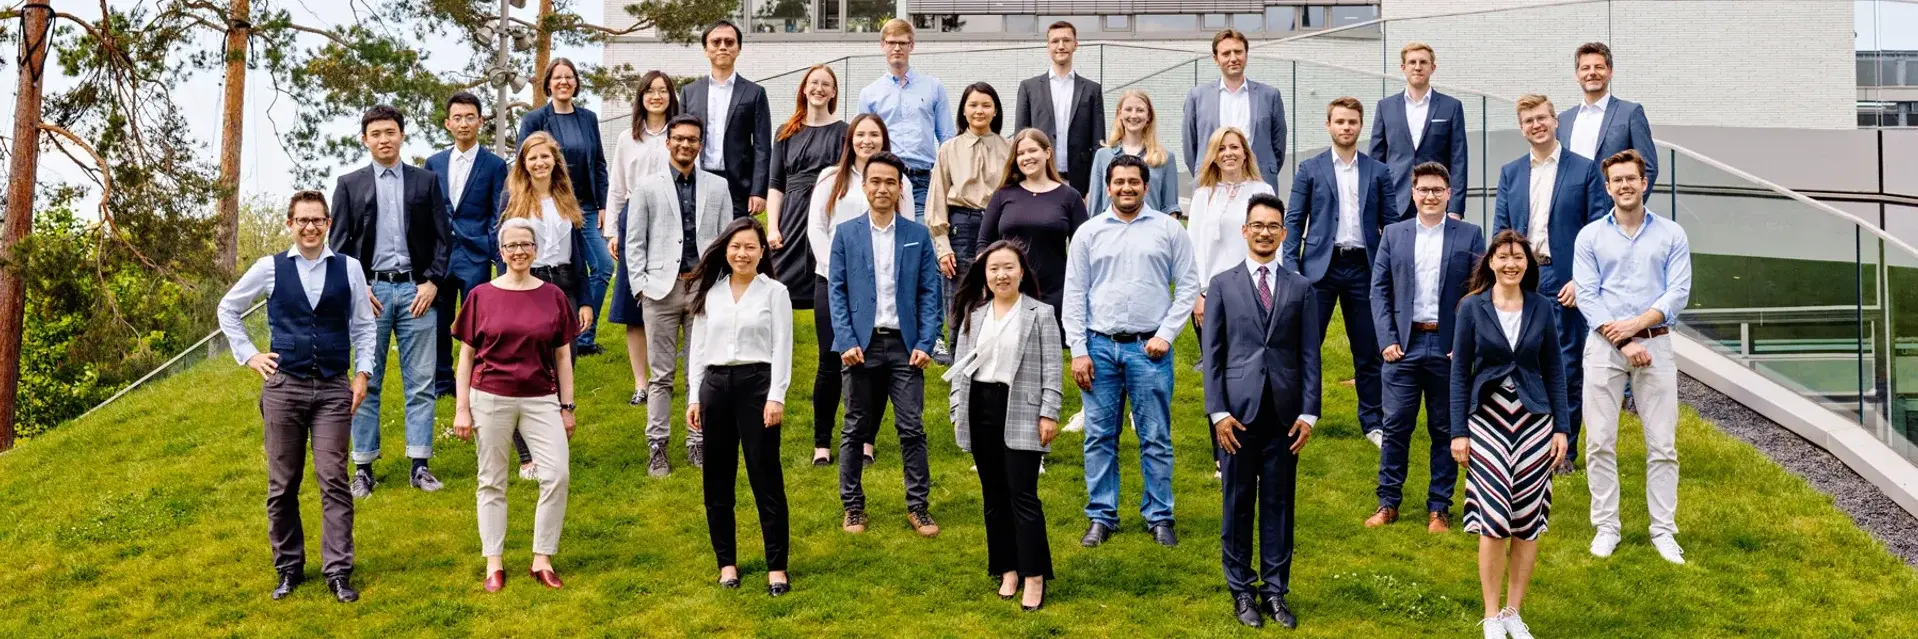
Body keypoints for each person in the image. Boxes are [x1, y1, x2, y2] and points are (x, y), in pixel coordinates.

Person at [217, 190, 372, 604]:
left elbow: (363, 325)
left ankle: (338, 571)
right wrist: (250, 356)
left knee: (334, 481)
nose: (309, 227)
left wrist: (363, 372)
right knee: (282, 484)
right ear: (290, 224)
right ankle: (288, 568)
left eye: (317, 220)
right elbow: (227, 308)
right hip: (284, 387)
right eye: (302, 220)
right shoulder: (269, 268)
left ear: (327, 224)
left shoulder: (349, 267)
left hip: (334, 388)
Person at [1064, 154, 1200, 549]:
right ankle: (1101, 515)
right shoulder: (1089, 233)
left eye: (1134, 182)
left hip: (1149, 349)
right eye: (1119, 181)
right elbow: (1074, 294)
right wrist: (1078, 350)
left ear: (1146, 185)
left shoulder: (1168, 230)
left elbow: (1188, 286)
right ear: (1108, 187)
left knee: (1155, 436)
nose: (1127, 188)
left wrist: (1167, 335)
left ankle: (1159, 516)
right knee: (1099, 436)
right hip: (1099, 347)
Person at [1201, 193, 1319, 630]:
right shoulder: (1223, 284)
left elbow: (1310, 355)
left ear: (1284, 233)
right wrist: (1217, 414)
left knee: (1279, 504)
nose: (1265, 232)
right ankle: (1241, 591)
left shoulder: (1301, 288)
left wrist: (1309, 414)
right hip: (1236, 415)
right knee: (1237, 503)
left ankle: (1275, 591)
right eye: (1258, 225)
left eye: (1273, 225)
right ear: (1244, 231)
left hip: (1285, 417)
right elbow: (1211, 356)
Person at [1449, 230, 1571, 639]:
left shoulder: (1540, 307)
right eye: (1503, 257)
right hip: (1487, 420)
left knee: (1526, 520)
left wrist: (1562, 428)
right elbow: (1459, 372)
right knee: (1493, 518)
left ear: (1528, 264)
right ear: (1491, 263)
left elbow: (1555, 369)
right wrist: (1458, 431)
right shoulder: (1471, 308)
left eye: (1518, 257)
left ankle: (1513, 613)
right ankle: (1490, 616)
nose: (1511, 264)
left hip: (1535, 423)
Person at [1574, 149, 1692, 565]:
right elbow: (1587, 296)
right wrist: (1623, 339)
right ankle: (1607, 527)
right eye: (1617, 180)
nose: (1624, 185)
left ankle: (1663, 531)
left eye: (1631, 179)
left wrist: (1636, 326)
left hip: (1656, 343)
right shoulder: (1590, 237)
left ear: (1645, 183)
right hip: (1604, 346)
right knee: (1600, 442)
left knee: (1663, 444)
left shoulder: (1672, 234)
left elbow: (1677, 293)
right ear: (1607, 188)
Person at [328, 104, 451, 498]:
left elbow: (442, 240)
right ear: (365, 139)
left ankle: (420, 464)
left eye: (391, 132)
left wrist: (432, 281)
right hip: (371, 293)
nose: (384, 139)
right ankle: (363, 468)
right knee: (367, 379)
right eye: (376, 133)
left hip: (417, 291)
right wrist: (358, 285)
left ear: (402, 135)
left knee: (421, 381)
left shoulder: (425, 181)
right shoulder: (349, 184)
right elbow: (339, 244)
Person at [452, 218, 578, 593]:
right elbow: (466, 357)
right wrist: (462, 408)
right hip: (490, 396)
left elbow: (563, 357)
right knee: (491, 480)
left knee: (557, 475)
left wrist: (567, 406)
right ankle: (494, 561)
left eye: (526, 244)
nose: (519, 251)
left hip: (541, 398)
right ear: (501, 251)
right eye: (511, 245)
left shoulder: (553, 295)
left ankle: (542, 558)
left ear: (535, 250)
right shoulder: (481, 295)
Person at [828, 152, 944, 538]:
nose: (882, 188)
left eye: (890, 182)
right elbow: (837, 291)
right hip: (860, 346)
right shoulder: (846, 233)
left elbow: (931, 293)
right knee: (855, 428)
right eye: (875, 181)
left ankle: (918, 507)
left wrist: (926, 342)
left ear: (899, 188)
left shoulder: (916, 235)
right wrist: (845, 339)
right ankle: (853, 507)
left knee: (911, 428)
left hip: (905, 346)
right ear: (864, 187)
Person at [1493, 93, 1609, 476]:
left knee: (1564, 366)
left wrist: (1581, 279)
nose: (1536, 125)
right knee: (1520, 362)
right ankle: (1525, 444)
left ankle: (1565, 451)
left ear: (1555, 120)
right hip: (1521, 279)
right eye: (1528, 120)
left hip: (1565, 281)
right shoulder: (1511, 172)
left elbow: (1596, 230)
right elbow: (1501, 230)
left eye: (1542, 118)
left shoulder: (1584, 169)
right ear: (1521, 127)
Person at [1366, 162, 1485, 533]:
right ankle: (1388, 503)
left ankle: (1439, 507)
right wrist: (1387, 339)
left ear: (1449, 194)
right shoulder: (1395, 234)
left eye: (1437, 190)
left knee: (1445, 427)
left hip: (1448, 347)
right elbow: (1379, 289)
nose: (1430, 196)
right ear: (1413, 194)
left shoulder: (1469, 234)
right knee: (1396, 424)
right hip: (1404, 344)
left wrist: (1464, 343)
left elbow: (1478, 294)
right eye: (1423, 190)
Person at [944, 241, 1062, 612]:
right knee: (993, 498)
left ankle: (1034, 575)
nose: (1001, 275)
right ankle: (1006, 568)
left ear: (1022, 272)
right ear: (985, 274)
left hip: (1022, 410)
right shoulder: (974, 314)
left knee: (1022, 497)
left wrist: (1049, 412)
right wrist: (956, 410)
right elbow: (960, 368)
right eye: (994, 268)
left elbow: (1053, 370)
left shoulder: (1040, 314)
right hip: (981, 410)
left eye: (1008, 267)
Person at [685, 218, 794, 597]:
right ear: (725, 250)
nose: (742, 253)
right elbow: (697, 349)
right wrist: (694, 397)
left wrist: (776, 395)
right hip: (715, 387)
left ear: (762, 251)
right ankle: (726, 563)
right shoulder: (710, 293)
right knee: (717, 478)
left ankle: (776, 567)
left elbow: (783, 346)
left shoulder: (774, 292)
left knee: (765, 476)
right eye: (735, 246)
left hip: (757, 386)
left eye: (750, 247)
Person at [625, 114, 734, 477]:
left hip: (702, 289)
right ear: (668, 142)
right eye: (679, 139)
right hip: (660, 290)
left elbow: (726, 242)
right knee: (661, 374)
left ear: (700, 145)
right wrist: (641, 287)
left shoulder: (718, 188)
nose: (686, 145)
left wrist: (721, 285)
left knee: (699, 370)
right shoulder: (647, 186)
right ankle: (657, 446)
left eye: (693, 140)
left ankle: (696, 441)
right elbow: (634, 241)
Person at [1281, 97, 1393, 449]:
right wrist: (1292, 270)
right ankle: (1302, 415)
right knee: (1306, 346)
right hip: (1318, 269)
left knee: (1368, 349)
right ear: (1328, 125)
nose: (1346, 127)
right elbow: (1294, 221)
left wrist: (1388, 271)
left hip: (1363, 267)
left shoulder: (1379, 171)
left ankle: (1373, 421)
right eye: (1340, 122)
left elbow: (1391, 226)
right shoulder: (1309, 169)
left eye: (1352, 122)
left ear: (1361, 126)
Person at [806, 114, 917, 466]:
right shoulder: (829, 179)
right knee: (830, 360)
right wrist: (835, 270)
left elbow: (908, 231)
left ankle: (866, 441)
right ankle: (822, 443)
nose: (867, 140)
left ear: (883, 140)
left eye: (874, 135)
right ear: (850, 139)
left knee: (877, 361)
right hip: (832, 281)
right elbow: (816, 229)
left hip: (881, 284)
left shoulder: (902, 184)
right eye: (861, 134)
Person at [495, 131, 595, 479]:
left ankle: (551, 438)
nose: (539, 163)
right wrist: (502, 296)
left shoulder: (565, 197)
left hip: (564, 285)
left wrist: (584, 300)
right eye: (532, 158)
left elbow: (578, 251)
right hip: (527, 284)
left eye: (545, 157)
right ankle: (526, 456)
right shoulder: (513, 200)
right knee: (527, 369)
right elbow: (504, 250)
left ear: (555, 161)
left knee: (565, 362)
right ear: (523, 164)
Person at [1186, 125, 1273, 475]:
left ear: (1245, 152)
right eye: (1222, 148)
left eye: (1235, 147)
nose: (1229, 154)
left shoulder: (1261, 189)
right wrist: (1197, 295)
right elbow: (1191, 249)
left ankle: (1255, 446)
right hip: (1212, 296)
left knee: (1253, 374)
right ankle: (1222, 454)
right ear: (1213, 154)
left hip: (1254, 294)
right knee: (1217, 373)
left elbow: (1271, 241)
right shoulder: (1203, 194)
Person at [518, 57, 614, 356]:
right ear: (548, 83)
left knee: (603, 266)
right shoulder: (535, 119)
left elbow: (598, 163)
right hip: (548, 205)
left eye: (569, 76)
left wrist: (603, 204)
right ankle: (546, 330)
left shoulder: (588, 117)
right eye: (557, 77)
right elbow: (524, 162)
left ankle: (583, 336)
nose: (564, 82)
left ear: (576, 82)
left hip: (583, 207)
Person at [606, 70, 681, 407]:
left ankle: (664, 377)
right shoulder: (627, 138)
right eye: (650, 91)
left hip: (671, 219)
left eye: (663, 90)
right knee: (633, 304)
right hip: (633, 219)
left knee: (667, 299)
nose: (656, 96)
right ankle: (641, 382)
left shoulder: (680, 135)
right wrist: (613, 232)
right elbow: (617, 186)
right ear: (641, 97)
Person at [427, 91, 509, 397]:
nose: (464, 123)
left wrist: (491, 249)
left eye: (470, 117)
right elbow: (426, 210)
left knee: (476, 323)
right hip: (440, 256)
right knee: (438, 322)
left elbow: (497, 212)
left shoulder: (494, 165)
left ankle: (477, 379)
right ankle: (442, 382)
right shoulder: (433, 162)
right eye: (457, 118)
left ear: (481, 121)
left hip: (475, 255)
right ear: (448, 123)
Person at [928, 82, 1010, 356]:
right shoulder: (949, 149)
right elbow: (937, 199)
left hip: (998, 229)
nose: (979, 110)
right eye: (973, 105)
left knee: (998, 299)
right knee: (960, 303)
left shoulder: (1008, 148)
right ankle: (959, 376)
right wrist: (942, 247)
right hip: (961, 227)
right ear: (963, 110)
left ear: (995, 110)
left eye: (986, 105)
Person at [977, 128, 1089, 320]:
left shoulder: (1070, 197)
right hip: (1010, 291)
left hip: (1055, 293)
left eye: (1032, 151)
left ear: (1047, 152)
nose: (1026, 157)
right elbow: (983, 243)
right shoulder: (1003, 195)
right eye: (1020, 153)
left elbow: (1084, 247)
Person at [766, 64, 849, 308]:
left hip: (827, 213)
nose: (819, 89)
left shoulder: (845, 132)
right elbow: (775, 183)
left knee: (830, 287)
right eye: (814, 83)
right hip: (792, 215)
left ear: (834, 92)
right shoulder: (785, 132)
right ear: (804, 89)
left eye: (826, 84)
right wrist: (772, 227)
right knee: (775, 287)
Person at [858, 18, 949, 222]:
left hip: (923, 179)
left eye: (902, 43)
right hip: (885, 177)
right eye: (891, 42)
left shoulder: (933, 87)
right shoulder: (869, 94)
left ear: (912, 46)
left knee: (921, 242)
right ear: (883, 46)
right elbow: (861, 142)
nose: (896, 48)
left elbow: (947, 138)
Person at [681, 20, 772, 221]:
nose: (723, 46)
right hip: (696, 180)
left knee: (735, 244)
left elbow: (762, 146)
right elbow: (680, 140)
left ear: (738, 49)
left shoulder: (754, 93)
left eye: (729, 42)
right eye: (716, 42)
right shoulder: (690, 92)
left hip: (738, 186)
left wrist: (758, 190)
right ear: (706, 49)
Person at [1370, 42, 1468, 219]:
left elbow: (1458, 160)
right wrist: (1375, 208)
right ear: (1403, 67)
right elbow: (1376, 162)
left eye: (1423, 62)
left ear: (1432, 67)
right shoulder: (1386, 107)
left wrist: (1455, 208)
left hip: (1436, 200)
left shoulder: (1451, 107)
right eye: (1412, 62)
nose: (1417, 67)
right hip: (1395, 202)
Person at [1183, 29, 1287, 193]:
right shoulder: (1197, 96)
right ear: (1216, 59)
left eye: (1238, 52)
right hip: (1212, 181)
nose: (1233, 58)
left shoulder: (1270, 95)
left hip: (1258, 180)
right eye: (1226, 53)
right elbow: (1191, 147)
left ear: (1246, 55)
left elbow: (1278, 147)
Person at [1558, 41, 1658, 209]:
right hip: (1570, 213)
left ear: (1610, 72)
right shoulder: (1563, 120)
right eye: (1585, 68)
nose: (1592, 73)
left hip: (1612, 213)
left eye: (1599, 67)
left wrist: (1626, 210)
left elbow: (1648, 166)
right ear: (1577, 75)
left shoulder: (1630, 113)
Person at [1015, 21, 1104, 196]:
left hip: (1080, 183)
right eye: (1055, 41)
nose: (1061, 46)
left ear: (1075, 45)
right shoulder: (1029, 87)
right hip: (1039, 179)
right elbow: (1020, 137)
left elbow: (1097, 142)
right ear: (1048, 46)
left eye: (1066, 40)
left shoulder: (1092, 89)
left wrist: (1093, 190)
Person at [1087, 90, 1181, 218]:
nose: (1134, 115)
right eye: (1128, 109)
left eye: (1140, 110)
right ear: (1120, 113)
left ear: (1149, 116)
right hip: (1111, 233)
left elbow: (1170, 207)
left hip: (1150, 233)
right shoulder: (1102, 156)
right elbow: (1095, 206)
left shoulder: (1164, 158)